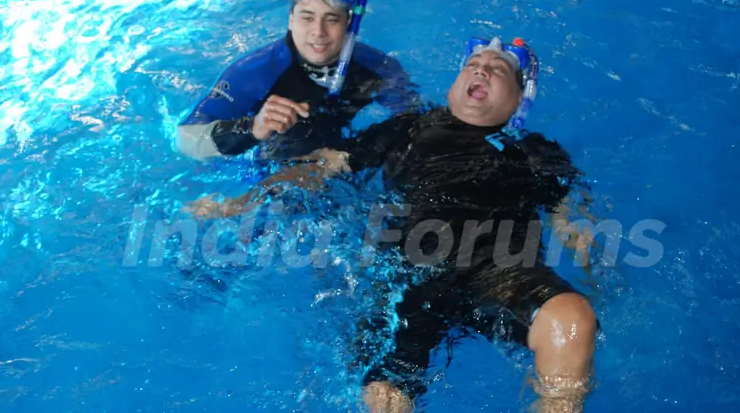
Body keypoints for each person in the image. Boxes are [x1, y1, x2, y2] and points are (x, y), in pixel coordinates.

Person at [189, 37, 598, 412]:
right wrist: (241, 202)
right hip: (409, 273)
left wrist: (576, 230)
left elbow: (569, 207)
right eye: (473, 65)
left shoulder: (535, 151)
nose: (482, 70)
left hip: (501, 267)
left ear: (520, 98)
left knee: (572, 320)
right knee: (386, 397)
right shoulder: (408, 128)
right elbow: (324, 166)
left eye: (498, 69)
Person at [175, 0, 420, 164]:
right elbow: (185, 139)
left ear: (348, 24)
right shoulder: (254, 72)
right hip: (278, 166)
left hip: (343, 156)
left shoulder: (379, 68)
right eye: (307, 18)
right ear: (291, 20)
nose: (318, 32)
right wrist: (251, 128)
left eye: (331, 19)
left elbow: (414, 124)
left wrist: (350, 157)